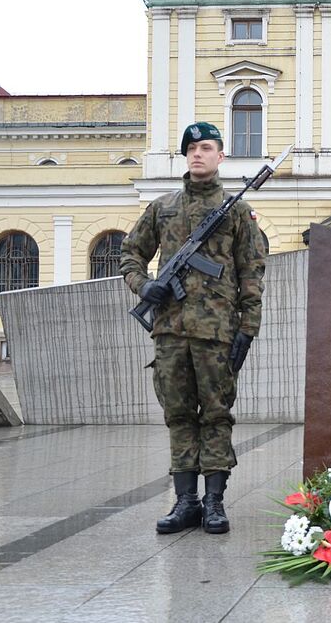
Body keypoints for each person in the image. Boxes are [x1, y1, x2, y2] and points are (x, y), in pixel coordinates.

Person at [120, 122, 266, 535]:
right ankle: (185, 502)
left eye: (206, 148)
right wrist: (144, 284)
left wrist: (248, 328)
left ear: (221, 156)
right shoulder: (163, 207)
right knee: (178, 415)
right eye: (191, 149)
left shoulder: (237, 212)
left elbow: (251, 272)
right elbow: (130, 254)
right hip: (169, 332)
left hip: (218, 334)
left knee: (217, 416)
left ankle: (215, 503)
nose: (197, 155)